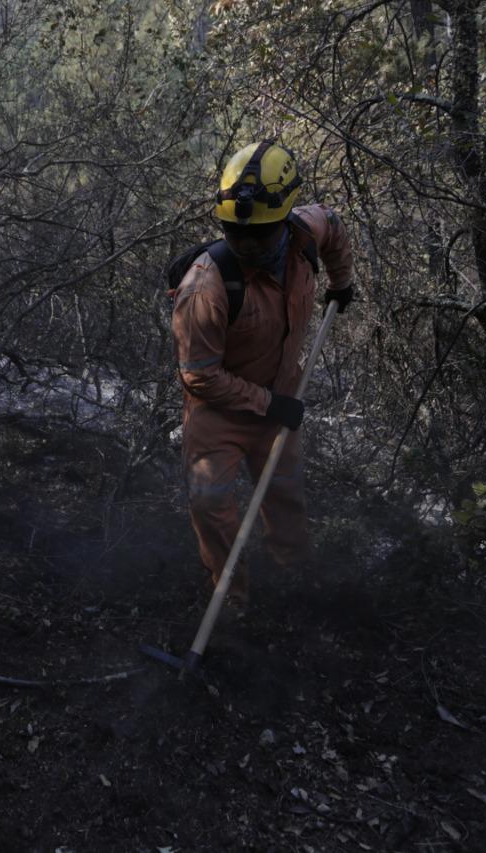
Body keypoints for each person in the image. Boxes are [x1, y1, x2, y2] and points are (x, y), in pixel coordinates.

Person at [171, 140, 354, 608]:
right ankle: (232, 601)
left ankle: (296, 582)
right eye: (234, 232)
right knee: (210, 502)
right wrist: (270, 404)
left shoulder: (306, 233)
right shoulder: (204, 290)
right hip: (220, 411)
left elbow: (332, 224)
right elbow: (199, 377)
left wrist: (341, 282)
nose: (247, 243)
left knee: (286, 496)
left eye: (260, 233)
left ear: (285, 219)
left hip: (279, 399)